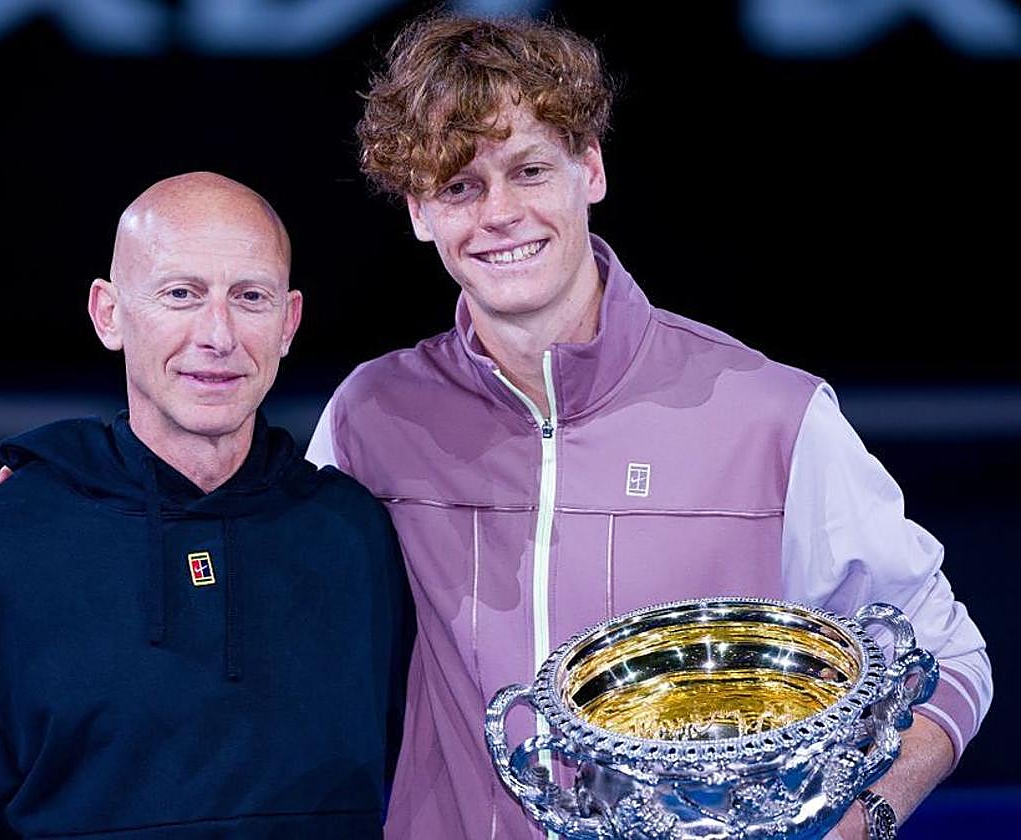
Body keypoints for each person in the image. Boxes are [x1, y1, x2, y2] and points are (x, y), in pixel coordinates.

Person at [304, 15, 992, 840]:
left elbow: (946, 658)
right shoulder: (371, 420)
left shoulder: (768, 415)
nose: (500, 214)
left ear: (589, 168)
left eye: (529, 170)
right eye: (459, 186)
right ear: (419, 211)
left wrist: (861, 822)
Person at [0, 172, 414, 839]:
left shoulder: (356, 538)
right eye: (181, 294)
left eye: (250, 296)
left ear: (289, 321)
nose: (218, 334)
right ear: (109, 314)